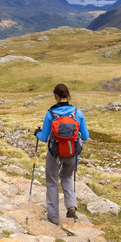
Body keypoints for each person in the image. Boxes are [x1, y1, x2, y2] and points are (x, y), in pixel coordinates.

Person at [34, 84, 89, 225]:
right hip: (72, 154)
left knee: (52, 182)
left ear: (55, 96)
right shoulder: (78, 113)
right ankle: (71, 205)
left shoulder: (50, 114)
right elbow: (86, 137)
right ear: (68, 95)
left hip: (54, 154)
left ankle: (53, 217)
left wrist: (37, 133)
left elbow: (44, 137)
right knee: (66, 176)